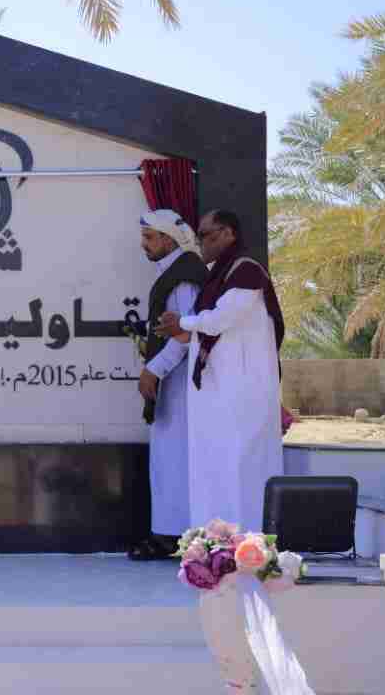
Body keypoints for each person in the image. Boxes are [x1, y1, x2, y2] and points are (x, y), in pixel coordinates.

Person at [155, 209, 285, 530]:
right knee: (214, 466)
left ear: (229, 234)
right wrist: (181, 329)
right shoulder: (218, 276)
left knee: (243, 466)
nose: (201, 242)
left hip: (243, 391)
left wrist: (183, 323)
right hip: (217, 391)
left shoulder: (246, 271)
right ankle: (213, 541)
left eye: (207, 235)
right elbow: (204, 327)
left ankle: (250, 541)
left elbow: (220, 319)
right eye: (199, 236)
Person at [128, 210, 206, 561]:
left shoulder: (185, 278)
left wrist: (154, 369)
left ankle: (175, 537)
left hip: (182, 384)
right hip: (173, 382)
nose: (143, 244)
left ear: (168, 240)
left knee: (175, 462)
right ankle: (169, 534)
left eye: (149, 238)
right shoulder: (173, 272)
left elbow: (186, 333)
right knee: (166, 460)